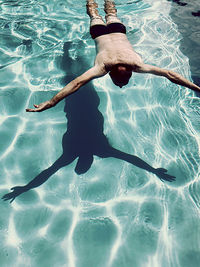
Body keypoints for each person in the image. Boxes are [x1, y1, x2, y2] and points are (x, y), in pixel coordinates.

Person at [26, 0, 200, 112]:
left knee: (111, 13)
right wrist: (52, 102)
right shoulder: (103, 67)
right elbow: (76, 83)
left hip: (118, 31)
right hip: (98, 33)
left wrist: (198, 89)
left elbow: (171, 74)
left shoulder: (134, 65)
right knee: (94, 13)